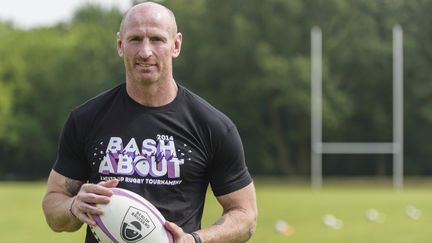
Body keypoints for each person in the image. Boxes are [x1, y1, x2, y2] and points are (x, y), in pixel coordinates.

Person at [42, 2, 257, 243]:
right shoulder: (85, 119)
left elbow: (245, 215)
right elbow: (54, 204)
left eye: (156, 39)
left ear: (176, 45)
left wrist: (195, 240)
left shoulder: (212, 126)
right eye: (135, 39)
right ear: (120, 45)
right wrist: (73, 206)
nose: (145, 52)